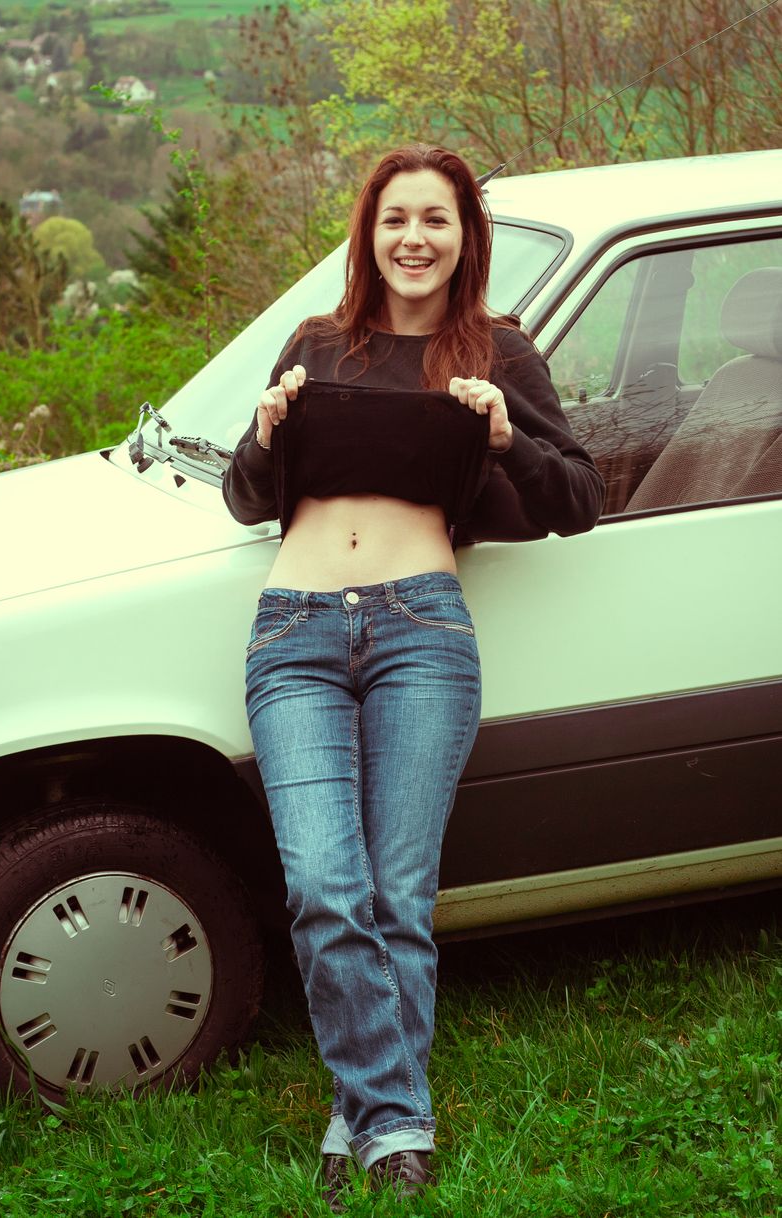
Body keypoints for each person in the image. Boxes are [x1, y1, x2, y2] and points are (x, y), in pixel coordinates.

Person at [223, 144, 605, 1211]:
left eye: (435, 219)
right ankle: (391, 1110)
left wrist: (502, 435)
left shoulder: (498, 351)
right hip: (292, 633)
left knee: (396, 896)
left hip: (420, 634)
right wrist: (259, 435)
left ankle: (371, 1123)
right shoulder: (314, 343)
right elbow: (247, 500)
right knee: (322, 888)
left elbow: (577, 497)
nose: (413, 238)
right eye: (395, 218)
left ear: (462, 236)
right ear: (368, 230)